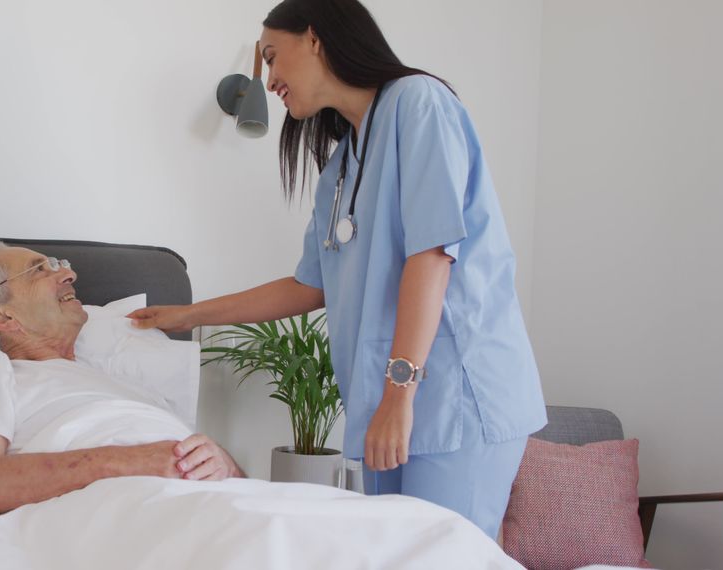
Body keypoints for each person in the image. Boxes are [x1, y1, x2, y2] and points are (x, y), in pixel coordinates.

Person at [129, 0, 546, 538]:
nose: (272, 78)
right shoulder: (341, 167)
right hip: (390, 405)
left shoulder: (419, 104)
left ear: (316, 38)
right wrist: (190, 314)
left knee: (445, 556)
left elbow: (433, 254)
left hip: (452, 399)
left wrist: (399, 394)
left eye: (274, 58)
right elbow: (308, 285)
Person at [0, 239, 243, 514]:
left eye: (59, 265)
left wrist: (225, 465)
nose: (69, 274)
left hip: (214, 503)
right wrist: (129, 462)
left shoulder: (123, 383)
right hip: (127, 508)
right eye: (39, 269)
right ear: (2, 315)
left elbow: (236, 482)